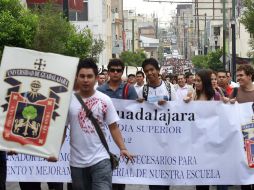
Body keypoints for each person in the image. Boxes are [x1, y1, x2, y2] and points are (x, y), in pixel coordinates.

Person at [66, 58, 133, 190]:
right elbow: (61, 129)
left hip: (101, 160)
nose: (86, 80)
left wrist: (123, 148)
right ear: (77, 77)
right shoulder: (68, 101)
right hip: (77, 163)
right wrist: (53, 150)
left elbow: (113, 127)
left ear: (96, 78)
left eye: (89, 76)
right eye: (82, 76)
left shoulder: (105, 100)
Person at [97, 58, 138, 190]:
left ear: (122, 72)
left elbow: (137, 114)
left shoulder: (129, 89)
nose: (115, 73)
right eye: (112, 70)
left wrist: (141, 104)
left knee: (119, 179)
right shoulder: (100, 90)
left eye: (118, 70)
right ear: (108, 72)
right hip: (103, 140)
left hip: (123, 138)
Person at [137, 58, 176, 190]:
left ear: (158, 71)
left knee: (165, 176)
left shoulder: (169, 88)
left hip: (167, 139)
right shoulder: (143, 90)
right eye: (146, 71)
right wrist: (139, 103)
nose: (149, 73)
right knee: (153, 178)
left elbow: (178, 110)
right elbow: (136, 113)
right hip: (150, 140)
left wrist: (168, 105)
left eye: (152, 69)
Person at [184, 69, 221, 190]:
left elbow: (221, 116)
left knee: (207, 175)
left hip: (211, 142)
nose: (196, 83)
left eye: (199, 80)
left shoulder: (216, 96)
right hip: (196, 142)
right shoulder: (193, 95)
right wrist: (185, 103)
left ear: (205, 81)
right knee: (198, 177)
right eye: (195, 80)